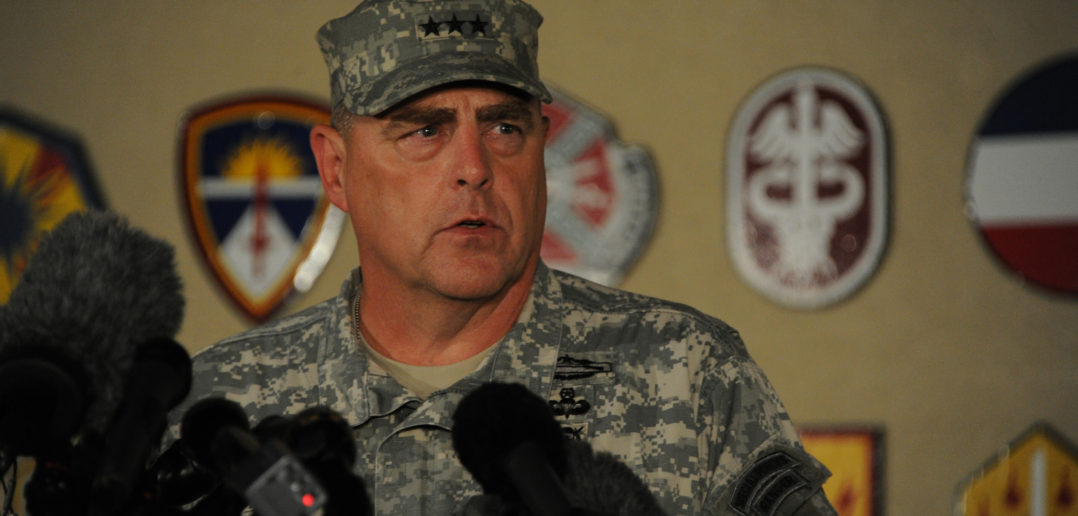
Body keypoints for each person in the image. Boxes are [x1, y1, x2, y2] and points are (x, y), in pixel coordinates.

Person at [179, 0, 838, 514]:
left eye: (504, 128)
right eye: (425, 130)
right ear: (336, 169)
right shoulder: (220, 412)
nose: (474, 167)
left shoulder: (688, 375)